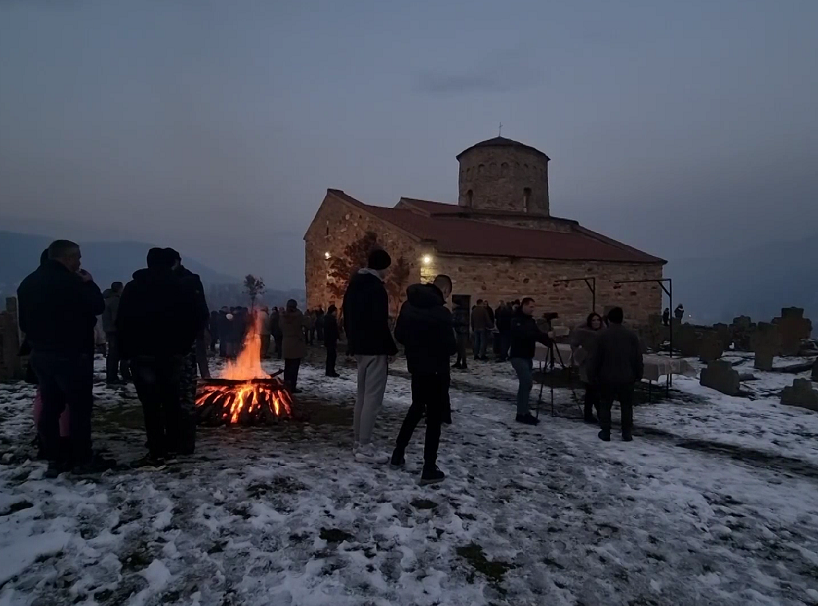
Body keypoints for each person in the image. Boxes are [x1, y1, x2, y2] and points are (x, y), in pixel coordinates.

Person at [17, 239, 108, 477]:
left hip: (41, 354)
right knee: (79, 407)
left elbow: (24, 323)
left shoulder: (27, 284)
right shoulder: (72, 283)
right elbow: (97, 306)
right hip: (72, 353)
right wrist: (90, 284)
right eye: (77, 258)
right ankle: (81, 457)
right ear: (67, 258)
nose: (79, 263)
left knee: (50, 406)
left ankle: (53, 454)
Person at [118, 248, 199, 465]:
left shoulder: (133, 288)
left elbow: (123, 321)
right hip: (171, 353)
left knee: (150, 404)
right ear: (172, 264)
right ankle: (173, 442)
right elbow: (194, 319)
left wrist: (125, 354)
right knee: (171, 399)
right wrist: (182, 347)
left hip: (142, 354)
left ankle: (157, 446)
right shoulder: (180, 287)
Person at [391, 275, 457, 485]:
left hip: (417, 366)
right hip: (437, 369)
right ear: (445, 291)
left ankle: (398, 453)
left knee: (416, 408)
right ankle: (429, 467)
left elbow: (399, 335)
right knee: (434, 419)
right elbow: (451, 347)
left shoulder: (408, 306)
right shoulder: (442, 313)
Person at [343, 248, 398, 464]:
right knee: (372, 398)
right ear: (383, 266)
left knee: (362, 395)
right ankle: (364, 445)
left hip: (359, 347)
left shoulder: (354, 285)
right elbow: (379, 322)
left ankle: (359, 440)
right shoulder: (376, 289)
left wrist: (352, 342)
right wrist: (390, 348)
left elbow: (347, 315)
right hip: (375, 348)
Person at [166, 248, 210, 451]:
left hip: (184, 345)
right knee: (168, 394)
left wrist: (196, 334)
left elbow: (200, 312)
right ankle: (169, 436)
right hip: (163, 348)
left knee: (184, 393)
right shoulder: (164, 281)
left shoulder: (189, 282)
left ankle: (184, 440)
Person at [589, 307, 643, 442]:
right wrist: (638, 374)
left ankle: (606, 431)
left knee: (605, 405)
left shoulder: (601, 336)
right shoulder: (631, 336)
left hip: (606, 376)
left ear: (609, 320)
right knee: (626, 406)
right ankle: (626, 433)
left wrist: (592, 375)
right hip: (627, 377)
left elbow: (595, 358)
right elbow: (637, 357)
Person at [509, 297, 552, 426]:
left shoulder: (531, 321)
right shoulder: (516, 321)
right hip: (518, 356)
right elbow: (525, 335)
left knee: (526, 385)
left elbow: (536, 334)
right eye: (530, 306)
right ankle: (521, 413)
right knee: (526, 382)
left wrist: (549, 341)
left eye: (534, 307)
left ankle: (523, 412)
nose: (533, 309)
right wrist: (544, 336)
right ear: (524, 306)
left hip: (527, 356)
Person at [571, 312, 604, 423]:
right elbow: (574, 346)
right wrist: (582, 354)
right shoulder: (584, 333)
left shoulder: (604, 333)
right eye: (593, 320)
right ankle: (594, 414)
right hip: (587, 366)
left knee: (595, 391)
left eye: (598, 320)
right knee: (591, 390)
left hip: (600, 366)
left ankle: (592, 414)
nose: (596, 322)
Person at [102, 281, 131, 385]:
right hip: (115, 331)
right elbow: (117, 317)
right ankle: (113, 377)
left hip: (109, 330)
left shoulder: (107, 300)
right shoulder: (115, 301)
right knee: (115, 355)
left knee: (113, 355)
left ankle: (112, 376)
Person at [281, 299, 307, 392]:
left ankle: (286, 385)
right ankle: (292, 386)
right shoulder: (298, 315)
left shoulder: (282, 316)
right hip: (296, 343)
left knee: (287, 366)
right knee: (294, 367)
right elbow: (306, 324)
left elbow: (280, 327)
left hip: (286, 343)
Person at [451, 298, 470, 370]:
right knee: (460, 347)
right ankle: (458, 361)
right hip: (462, 330)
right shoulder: (463, 311)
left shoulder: (458, 312)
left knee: (461, 347)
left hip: (460, 330)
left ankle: (464, 363)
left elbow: (460, 321)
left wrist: (453, 322)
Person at [324, 305, 340, 377]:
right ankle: (331, 371)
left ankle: (329, 371)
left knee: (330, 356)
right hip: (331, 340)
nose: (336, 313)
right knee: (332, 356)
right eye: (335, 311)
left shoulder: (328, 318)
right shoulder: (331, 319)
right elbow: (333, 330)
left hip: (329, 340)